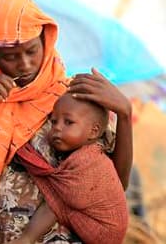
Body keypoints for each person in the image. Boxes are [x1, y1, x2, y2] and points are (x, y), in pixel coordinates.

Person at [0, 0, 132, 243]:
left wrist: (125, 115)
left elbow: (113, 185)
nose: (25, 64)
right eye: (10, 56)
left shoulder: (74, 100)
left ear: (46, 38)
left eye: (32, 50)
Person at [14, 93, 128, 243]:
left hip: (103, 233)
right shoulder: (84, 153)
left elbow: (63, 198)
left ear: (93, 131)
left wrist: (25, 156)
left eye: (68, 122)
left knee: (58, 201)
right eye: (54, 122)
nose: (57, 128)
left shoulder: (88, 160)